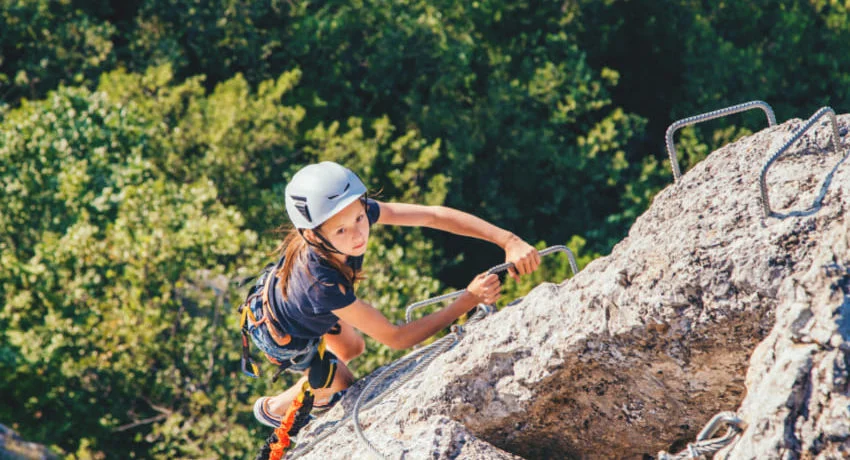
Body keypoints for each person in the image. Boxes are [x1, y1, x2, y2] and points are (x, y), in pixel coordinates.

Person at [246, 161, 541, 429]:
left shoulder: (345, 216)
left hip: (294, 303)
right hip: (283, 334)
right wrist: (467, 300)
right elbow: (396, 338)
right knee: (344, 384)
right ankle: (276, 408)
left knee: (353, 349)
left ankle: (323, 379)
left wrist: (508, 240)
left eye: (360, 219)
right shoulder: (321, 285)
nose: (358, 235)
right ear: (312, 235)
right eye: (341, 231)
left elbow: (433, 216)